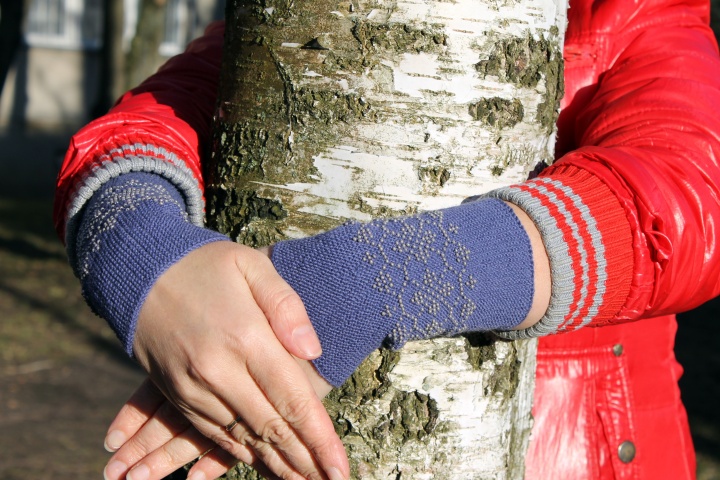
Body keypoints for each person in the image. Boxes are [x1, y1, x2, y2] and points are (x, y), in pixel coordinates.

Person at [53, 0, 720, 478]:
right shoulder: (291, 18)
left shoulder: (631, 14)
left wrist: (364, 284)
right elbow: (141, 127)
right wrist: (147, 259)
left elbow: (689, 200)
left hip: (585, 455)